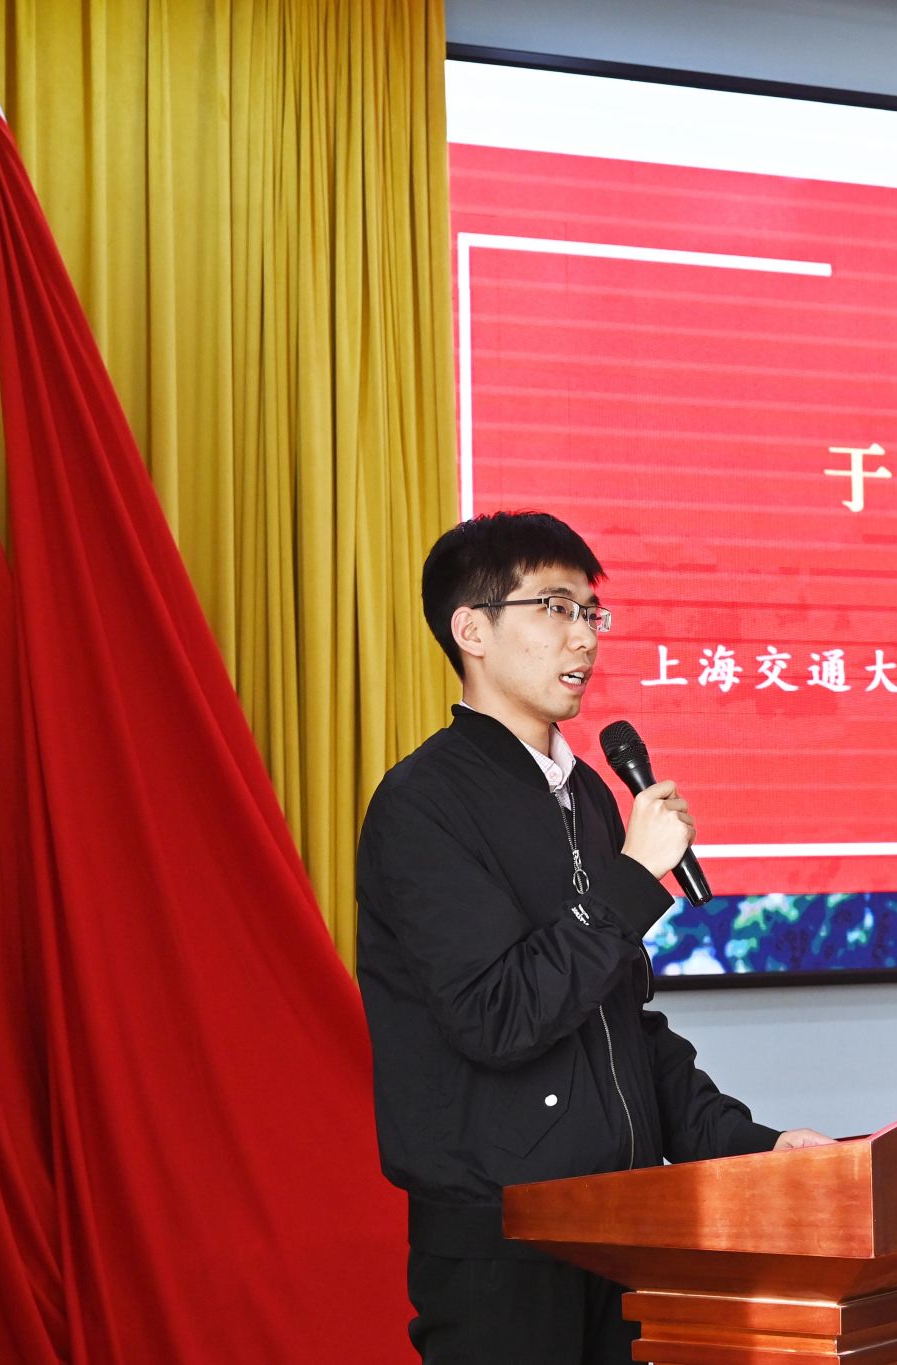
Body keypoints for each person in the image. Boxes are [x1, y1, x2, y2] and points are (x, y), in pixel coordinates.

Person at [356, 510, 831, 1364]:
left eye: (590, 612)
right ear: (472, 630)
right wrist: (632, 877)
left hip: (619, 1228)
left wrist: (756, 1147)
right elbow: (497, 1014)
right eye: (554, 607)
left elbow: (621, 1028)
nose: (584, 636)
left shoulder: (588, 796)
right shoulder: (423, 803)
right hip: (504, 1244)